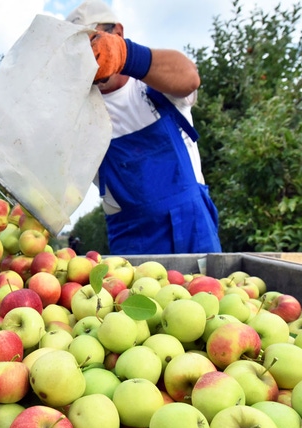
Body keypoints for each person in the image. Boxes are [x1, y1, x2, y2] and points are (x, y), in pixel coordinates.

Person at [66, 0, 222, 255]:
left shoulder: (154, 87)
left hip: (195, 231)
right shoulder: (81, 117)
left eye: (92, 44)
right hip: (132, 242)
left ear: (117, 34)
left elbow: (189, 77)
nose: (88, 59)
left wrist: (126, 56)